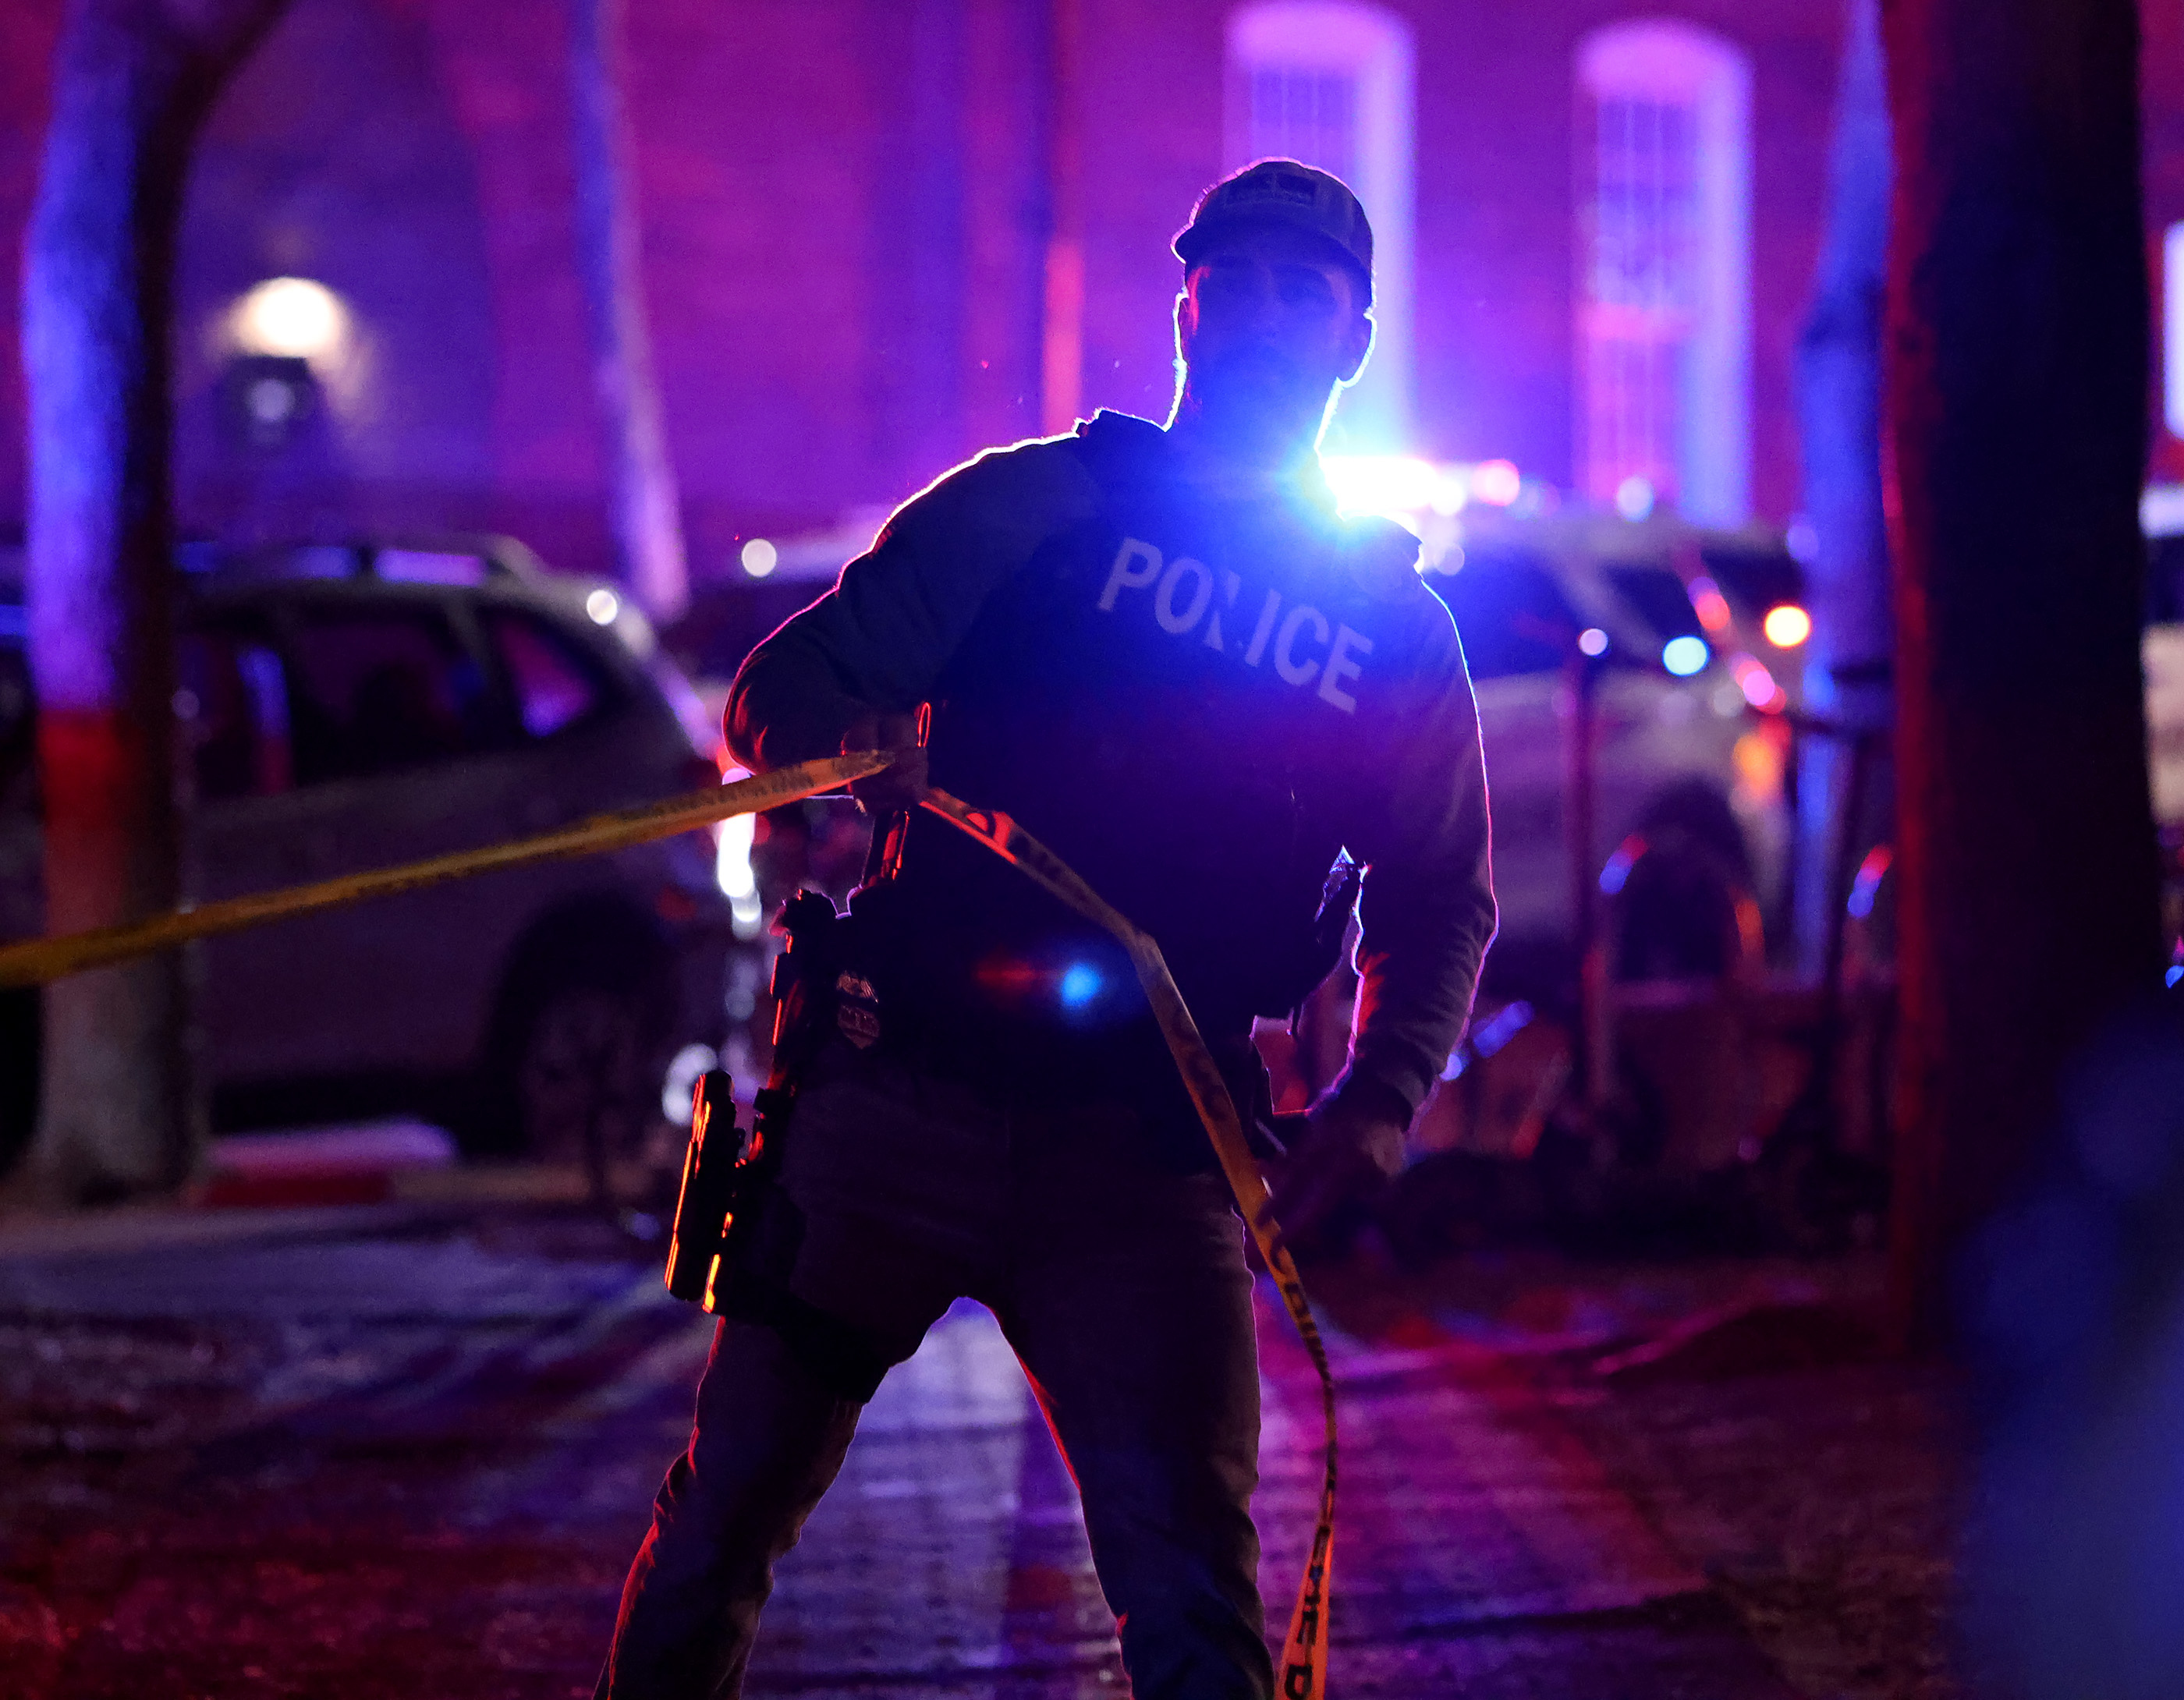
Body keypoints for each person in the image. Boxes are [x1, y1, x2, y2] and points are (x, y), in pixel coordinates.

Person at [596, 158, 1497, 1700]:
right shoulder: (1028, 507)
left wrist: (1379, 1109)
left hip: (1151, 1156)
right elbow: (771, 703)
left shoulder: (1386, 624)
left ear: (1352, 340)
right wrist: (868, 730)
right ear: (1188, 306)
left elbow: (1441, 896)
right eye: (1245, 279)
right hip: (898, 1099)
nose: (1275, 314)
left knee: (1192, 1601)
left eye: (1311, 290)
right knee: (722, 1516)